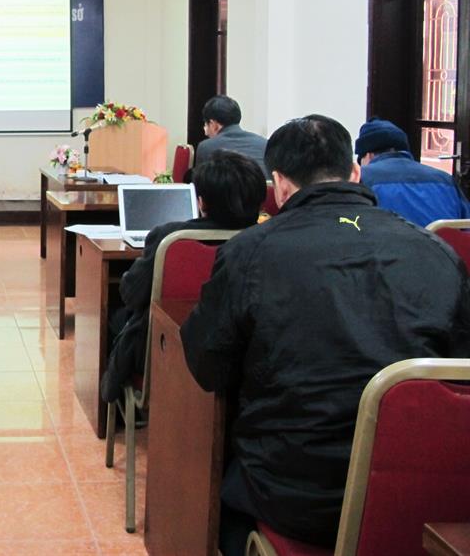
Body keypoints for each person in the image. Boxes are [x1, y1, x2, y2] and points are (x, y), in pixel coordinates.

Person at [180, 115, 470, 555]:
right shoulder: (436, 252)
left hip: (297, 497)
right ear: (355, 172)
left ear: (279, 184)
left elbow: (207, 366)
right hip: (420, 500)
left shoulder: (249, 253)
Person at [100, 151, 267, 403]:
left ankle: (119, 405)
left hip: (166, 348)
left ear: (201, 202)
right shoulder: (268, 240)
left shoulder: (171, 238)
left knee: (115, 316)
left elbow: (131, 294)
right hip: (244, 356)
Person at [356, 117, 470, 227]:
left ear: (368, 155)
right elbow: (466, 227)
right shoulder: (446, 181)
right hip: (439, 241)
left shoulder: (361, 178)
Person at [194, 95, 269, 178]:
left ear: (213, 124)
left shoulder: (206, 147)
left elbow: (200, 183)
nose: (206, 133)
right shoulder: (264, 143)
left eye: (205, 125)